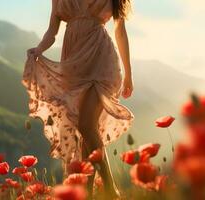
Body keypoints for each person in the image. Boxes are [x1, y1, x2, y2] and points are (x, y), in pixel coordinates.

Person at [22, 0, 134, 198]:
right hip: (74, 66)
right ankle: (87, 193)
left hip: (101, 60)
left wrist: (128, 74)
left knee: (85, 125)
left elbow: (120, 31)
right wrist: (39, 49)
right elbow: (52, 32)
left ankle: (111, 188)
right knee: (86, 129)